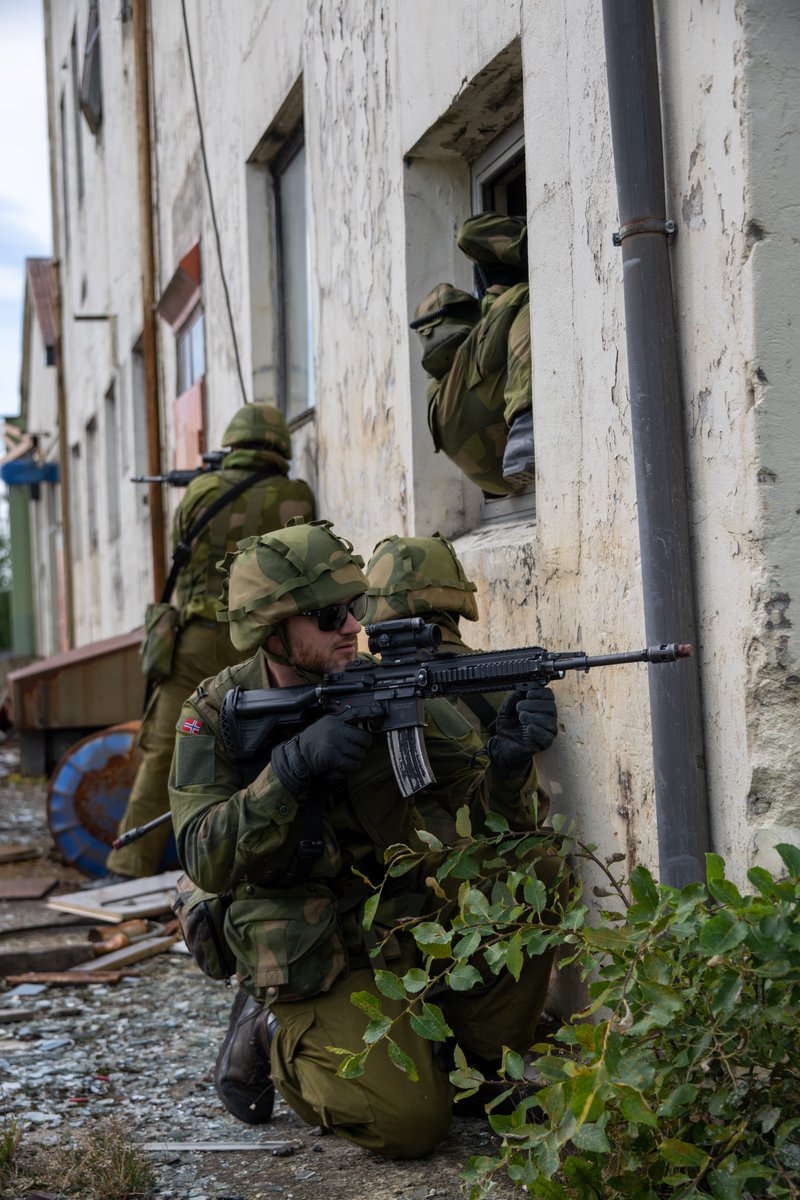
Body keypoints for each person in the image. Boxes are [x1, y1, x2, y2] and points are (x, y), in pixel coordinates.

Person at [168, 518, 563, 1159]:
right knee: (408, 1128)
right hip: (313, 944)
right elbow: (204, 856)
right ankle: (272, 1033)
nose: (354, 627)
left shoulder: (383, 687)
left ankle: (480, 1070)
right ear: (273, 632)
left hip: (404, 915)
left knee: (537, 868)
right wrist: (289, 773)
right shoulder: (213, 715)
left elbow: (488, 821)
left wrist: (511, 762)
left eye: (353, 608)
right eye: (328, 616)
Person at [102, 404, 316, 881]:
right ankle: (251, 855)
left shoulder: (199, 492)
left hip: (195, 637)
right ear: (279, 446)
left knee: (167, 747)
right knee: (271, 738)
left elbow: (182, 560)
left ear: (233, 444)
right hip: (260, 640)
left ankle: (129, 863)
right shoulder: (297, 494)